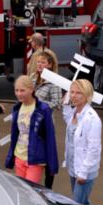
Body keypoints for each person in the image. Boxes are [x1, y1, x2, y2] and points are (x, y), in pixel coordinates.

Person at [5, 76, 59, 185]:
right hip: (19, 156)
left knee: (31, 191)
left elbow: (50, 137)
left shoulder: (43, 109)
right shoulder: (16, 108)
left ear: (32, 89)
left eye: (22, 90)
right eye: (17, 90)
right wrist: (11, 157)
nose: (19, 94)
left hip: (35, 159)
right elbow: (15, 135)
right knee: (21, 190)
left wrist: (52, 165)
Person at [63, 79, 102, 204]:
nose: (74, 96)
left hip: (84, 170)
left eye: (78, 93)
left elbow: (93, 149)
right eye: (72, 92)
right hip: (73, 167)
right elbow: (68, 119)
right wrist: (65, 104)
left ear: (87, 96)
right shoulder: (74, 113)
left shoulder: (92, 119)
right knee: (82, 203)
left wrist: (84, 172)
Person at [31, 50, 63, 188]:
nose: (39, 64)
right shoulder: (32, 77)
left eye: (43, 62)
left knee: (48, 155)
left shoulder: (54, 81)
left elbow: (57, 103)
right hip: (31, 122)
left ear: (50, 65)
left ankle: (48, 188)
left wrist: (40, 105)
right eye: (38, 62)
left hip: (46, 124)